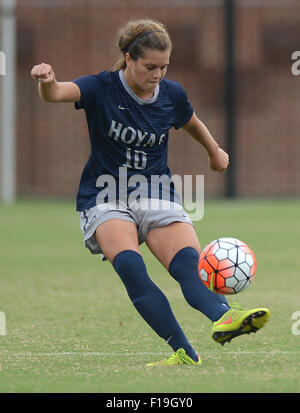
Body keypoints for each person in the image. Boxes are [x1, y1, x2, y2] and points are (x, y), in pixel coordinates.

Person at [31, 18, 270, 366]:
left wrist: (214, 150)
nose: (158, 74)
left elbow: (191, 121)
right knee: (131, 267)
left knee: (188, 263)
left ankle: (224, 316)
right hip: (105, 195)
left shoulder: (171, 94)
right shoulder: (101, 87)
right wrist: (47, 82)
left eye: (164, 67)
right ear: (128, 58)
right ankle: (183, 351)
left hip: (156, 191)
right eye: (150, 67)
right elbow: (57, 94)